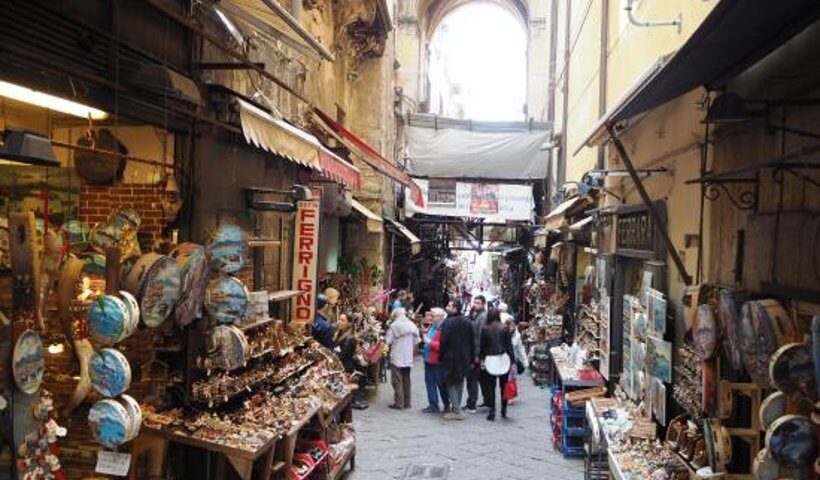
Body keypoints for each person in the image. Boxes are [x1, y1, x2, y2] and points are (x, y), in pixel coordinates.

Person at [438, 299, 475, 421]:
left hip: (450, 357)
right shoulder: (467, 322)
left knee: (450, 382)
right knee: (459, 381)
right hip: (464, 357)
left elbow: (443, 342)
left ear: (455, 309)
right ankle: (456, 407)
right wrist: (472, 357)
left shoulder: (448, 322)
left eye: (449, 306)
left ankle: (456, 409)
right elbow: (472, 341)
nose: (447, 307)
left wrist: (441, 355)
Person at [479, 308, 514, 421]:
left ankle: (492, 410)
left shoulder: (485, 329)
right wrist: (512, 362)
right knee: (503, 386)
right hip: (503, 359)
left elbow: (482, 347)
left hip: (490, 359)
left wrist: (481, 359)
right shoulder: (504, 329)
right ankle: (503, 409)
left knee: (491, 386)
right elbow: (509, 346)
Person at [385, 307, 420, 410]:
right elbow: (416, 341)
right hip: (408, 355)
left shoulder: (394, 326)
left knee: (397, 379)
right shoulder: (412, 325)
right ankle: (407, 402)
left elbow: (388, 341)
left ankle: (399, 402)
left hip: (397, 354)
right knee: (406, 379)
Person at [334, 313, 369, 410]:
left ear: (349, 323)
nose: (339, 322)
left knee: (348, 383)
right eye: (339, 319)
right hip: (344, 363)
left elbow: (343, 354)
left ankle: (353, 401)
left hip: (346, 364)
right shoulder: (340, 334)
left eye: (342, 320)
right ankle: (352, 401)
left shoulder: (349, 338)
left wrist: (334, 352)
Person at [421, 307, 450, 413]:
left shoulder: (444, 328)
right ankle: (433, 405)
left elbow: (444, 345)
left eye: (432, 316)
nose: (430, 318)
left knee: (441, 384)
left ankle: (447, 404)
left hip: (437, 360)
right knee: (430, 383)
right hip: (428, 358)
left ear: (440, 316)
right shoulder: (433, 326)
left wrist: (429, 342)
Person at [465, 295, 488, 413]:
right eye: (475, 303)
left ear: (484, 304)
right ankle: (474, 401)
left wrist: (477, 356)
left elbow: (479, 338)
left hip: (476, 353)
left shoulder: (483, 317)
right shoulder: (477, 315)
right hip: (474, 351)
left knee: (472, 379)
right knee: (475, 379)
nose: (475, 305)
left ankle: (472, 404)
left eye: (478, 303)